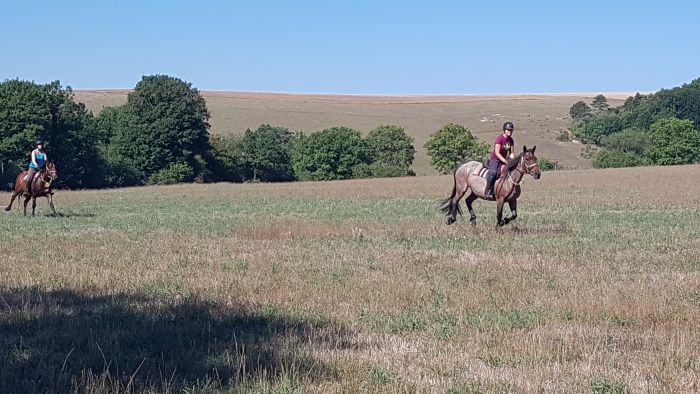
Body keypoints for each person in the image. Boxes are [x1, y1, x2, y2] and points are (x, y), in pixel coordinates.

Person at [484, 122, 515, 198]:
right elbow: (497, 153)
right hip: (495, 159)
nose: (510, 131)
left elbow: (511, 153)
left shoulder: (511, 140)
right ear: (504, 130)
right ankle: (488, 190)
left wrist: (514, 161)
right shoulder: (499, 139)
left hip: (504, 159)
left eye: (511, 130)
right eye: (508, 130)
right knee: (494, 173)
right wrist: (505, 161)